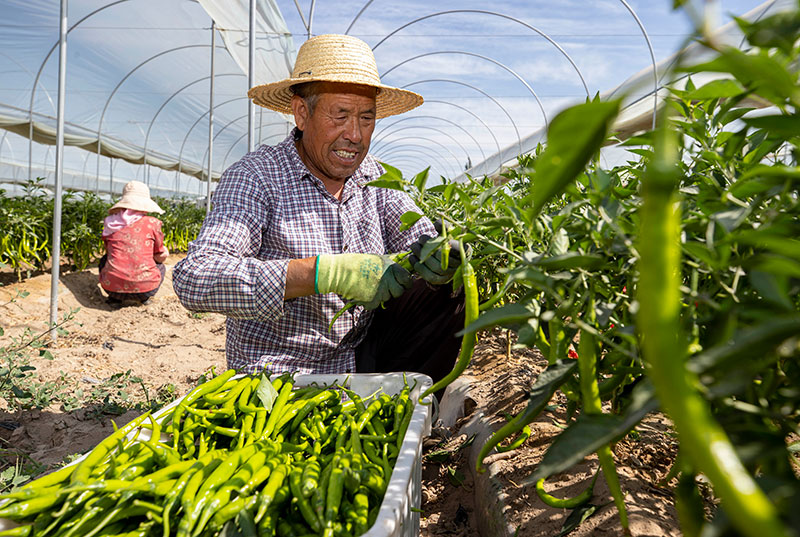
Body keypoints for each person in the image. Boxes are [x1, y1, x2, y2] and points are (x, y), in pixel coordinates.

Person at [172, 34, 465, 383]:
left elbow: (418, 234)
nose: (355, 135)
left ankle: (412, 399)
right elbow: (196, 278)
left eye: (366, 119)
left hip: (362, 354)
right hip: (280, 374)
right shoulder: (256, 177)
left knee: (452, 285)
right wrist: (322, 273)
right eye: (340, 115)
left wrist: (440, 253)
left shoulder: (377, 177)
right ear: (301, 113)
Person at [99, 180, 169, 307]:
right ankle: (145, 298)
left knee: (104, 260)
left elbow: (109, 252)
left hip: (113, 287)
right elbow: (158, 253)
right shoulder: (152, 223)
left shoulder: (110, 223)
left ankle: (114, 299)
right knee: (161, 266)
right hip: (146, 288)